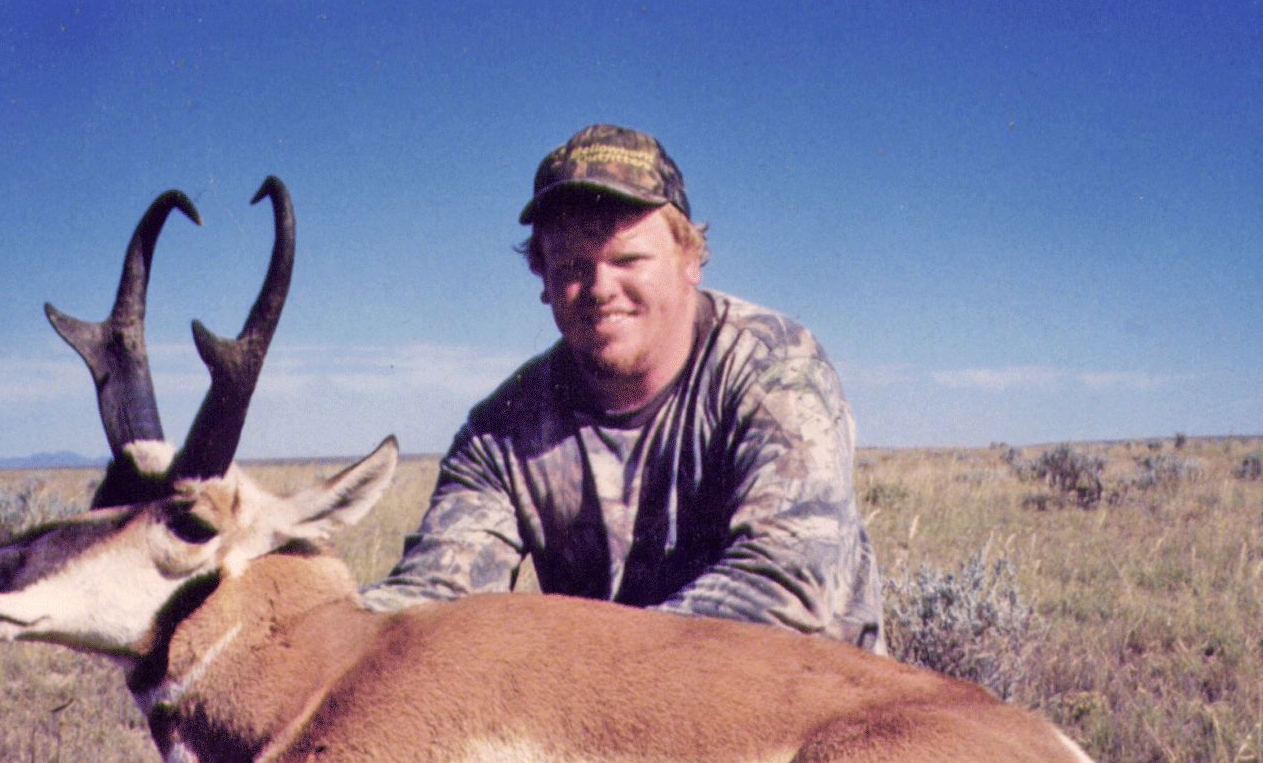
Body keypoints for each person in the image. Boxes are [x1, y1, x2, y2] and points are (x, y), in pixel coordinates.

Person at [358, 123, 888, 653]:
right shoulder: (502, 431)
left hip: (798, 688)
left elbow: (787, 583)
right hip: (608, 694)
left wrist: (587, 668)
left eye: (628, 260)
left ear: (690, 260)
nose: (600, 289)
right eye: (571, 266)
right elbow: (432, 601)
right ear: (543, 279)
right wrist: (331, 626)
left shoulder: (777, 368)